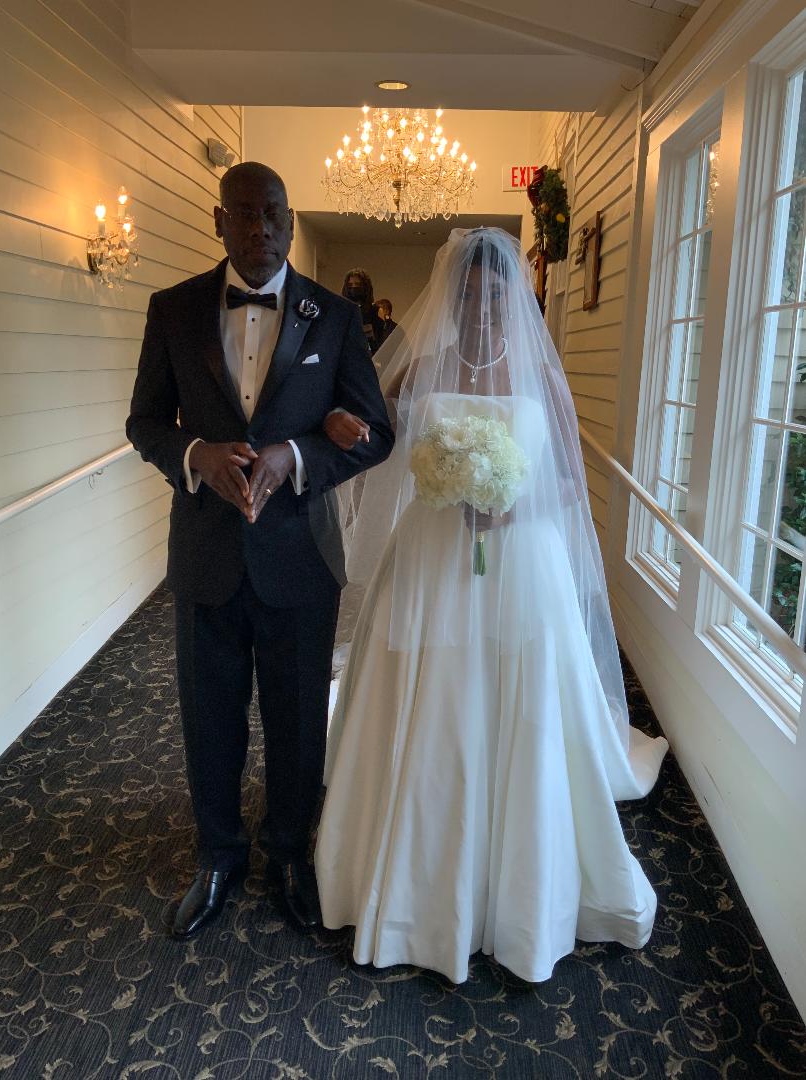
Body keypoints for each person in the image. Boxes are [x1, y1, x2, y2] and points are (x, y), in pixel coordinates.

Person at [315, 228, 668, 984]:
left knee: (518, 697)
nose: (480, 311)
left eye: (494, 298)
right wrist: (343, 428)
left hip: (522, 558)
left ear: (515, 300)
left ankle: (517, 884)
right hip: (432, 555)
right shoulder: (424, 368)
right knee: (435, 697)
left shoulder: (541, 373)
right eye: (469, 297)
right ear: (453, 297)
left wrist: (513, 504)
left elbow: (568, 478)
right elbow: (374, 438)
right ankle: (415, 872)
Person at [126, 162, 394, 941]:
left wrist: (299, 455)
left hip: (301, 555)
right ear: (219, 221)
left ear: (289, 219)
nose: (260, 228)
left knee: (298, 719)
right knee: (208, 717)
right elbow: (144, 421)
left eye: (273, 213)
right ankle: (218, 858)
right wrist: (195, 454)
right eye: (244, 214)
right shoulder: (172, 310)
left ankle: (288, 854)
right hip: (205, 552)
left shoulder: (334, 317)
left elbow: (375, 432)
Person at [342, 268, 384, 356]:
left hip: (369, 356)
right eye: (350, 285)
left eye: (357, 284)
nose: (353, 287)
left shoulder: (375, 311)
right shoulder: (342, 310)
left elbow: (380, 341)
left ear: (365, 287)